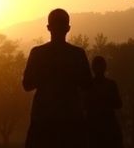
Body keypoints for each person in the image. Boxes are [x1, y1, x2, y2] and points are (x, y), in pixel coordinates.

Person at [22, 8, 92, 148]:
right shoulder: (77, 54)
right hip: (70, 118)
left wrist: (46, 74)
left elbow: (27, 85)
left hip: (43, 118)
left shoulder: (38, 53)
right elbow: (88, 85)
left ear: (48, 28)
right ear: (68, 28)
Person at [85, 56, 123, 148]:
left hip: (95, 125)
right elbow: (118, 104)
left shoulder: (88, 85)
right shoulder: (111, 84)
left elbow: (84, 104)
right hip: (107, 124)